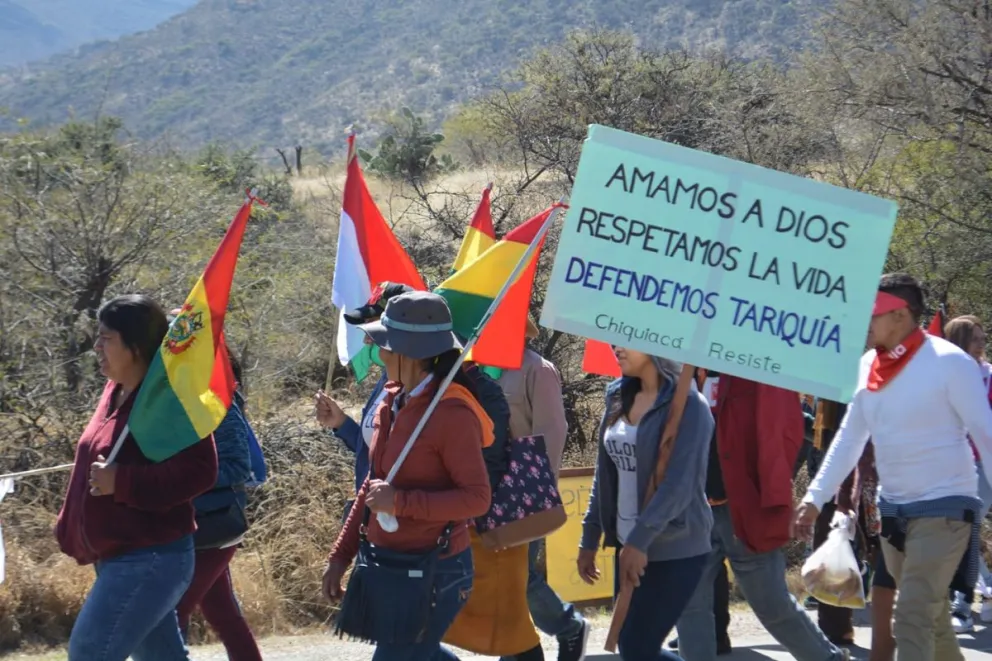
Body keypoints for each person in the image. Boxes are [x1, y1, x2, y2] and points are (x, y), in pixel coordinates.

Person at [797, 274, 992, 661]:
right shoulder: (869, 364)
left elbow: (986, 436)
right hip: (894, 513)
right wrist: (814, 498)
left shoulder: (950, 362)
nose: (864, 323)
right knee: (933, 621)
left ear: (901, 315)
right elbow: (849, 439)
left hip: (946, 509)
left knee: (911, 617)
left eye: (873, 314)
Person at [323, 291, 493, 660]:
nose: (378, 352)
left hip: (437, 571)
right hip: (393, 565)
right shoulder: (391, 400)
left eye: (385, 345)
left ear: (409, 353)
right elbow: (373, 486)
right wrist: (340, 555)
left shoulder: (452, 414)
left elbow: (477, 498)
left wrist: (400, 503)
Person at [55, 294, 218, 660]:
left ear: (136, 347)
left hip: (151, 558)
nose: (96, 346)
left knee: (89, 652)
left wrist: (122, 482)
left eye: (106, 338)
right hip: (118, 555)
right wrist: (70, 523)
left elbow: (201, 471)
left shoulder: (168, 400)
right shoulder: (114, 390)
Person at [676, 372, 849, 661]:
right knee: (689, 609)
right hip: (691, 513)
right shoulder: (677, 376)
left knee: (773, 606)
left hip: (743, 512)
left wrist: (774, 493)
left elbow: (784, 428)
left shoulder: (751, 372)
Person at [578, 347, 714, 660]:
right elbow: (605, 473)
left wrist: (640, 541)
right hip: (628, 546)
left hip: (675, 548)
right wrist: (590, 537)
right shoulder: (617, 395)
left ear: (656, 342)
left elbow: (680, 486)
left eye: (627, 338)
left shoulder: (691, 406)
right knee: (632, 646)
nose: (616, 346)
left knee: (637, 647)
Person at [496, 319, 589, 661]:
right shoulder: (481, 369)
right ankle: (515, 647)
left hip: (524, 488)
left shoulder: (538, 369)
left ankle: (568, 626)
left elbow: (552, 434)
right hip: (490, 490)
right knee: (503, 575)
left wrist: (531, 495)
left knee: (518, 574)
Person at [175, 347, 263, 661]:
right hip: (193, 525)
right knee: (222, 612)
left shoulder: (220, 403)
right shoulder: (174, 401)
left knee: (171, 614)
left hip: (213, 526)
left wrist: (183, 480)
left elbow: (240, 467)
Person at [315, 282, 414, 514]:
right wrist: (341, 423)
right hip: (371, 517)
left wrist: (399, 503)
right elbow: (372, 448)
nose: (367, 340)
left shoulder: (423, 391)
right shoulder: (387, 379)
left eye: (375, 327)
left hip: (400, 525)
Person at [669, 369, 732, 656]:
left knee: (714, 567)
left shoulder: (728, 374)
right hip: (690, 489)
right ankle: (697, 634)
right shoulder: (680, 378)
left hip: (725, 489)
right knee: (695, 566)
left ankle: (718, 633)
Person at [943, 314, 992, 632]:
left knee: (964, 529)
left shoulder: (989, 376)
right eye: (975, 339)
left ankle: (962, 605)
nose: (981, 344)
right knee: (961, 532)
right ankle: (985, 591)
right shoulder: (942, 375)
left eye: (983, 339)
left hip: (984, 466)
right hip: (950, 465)